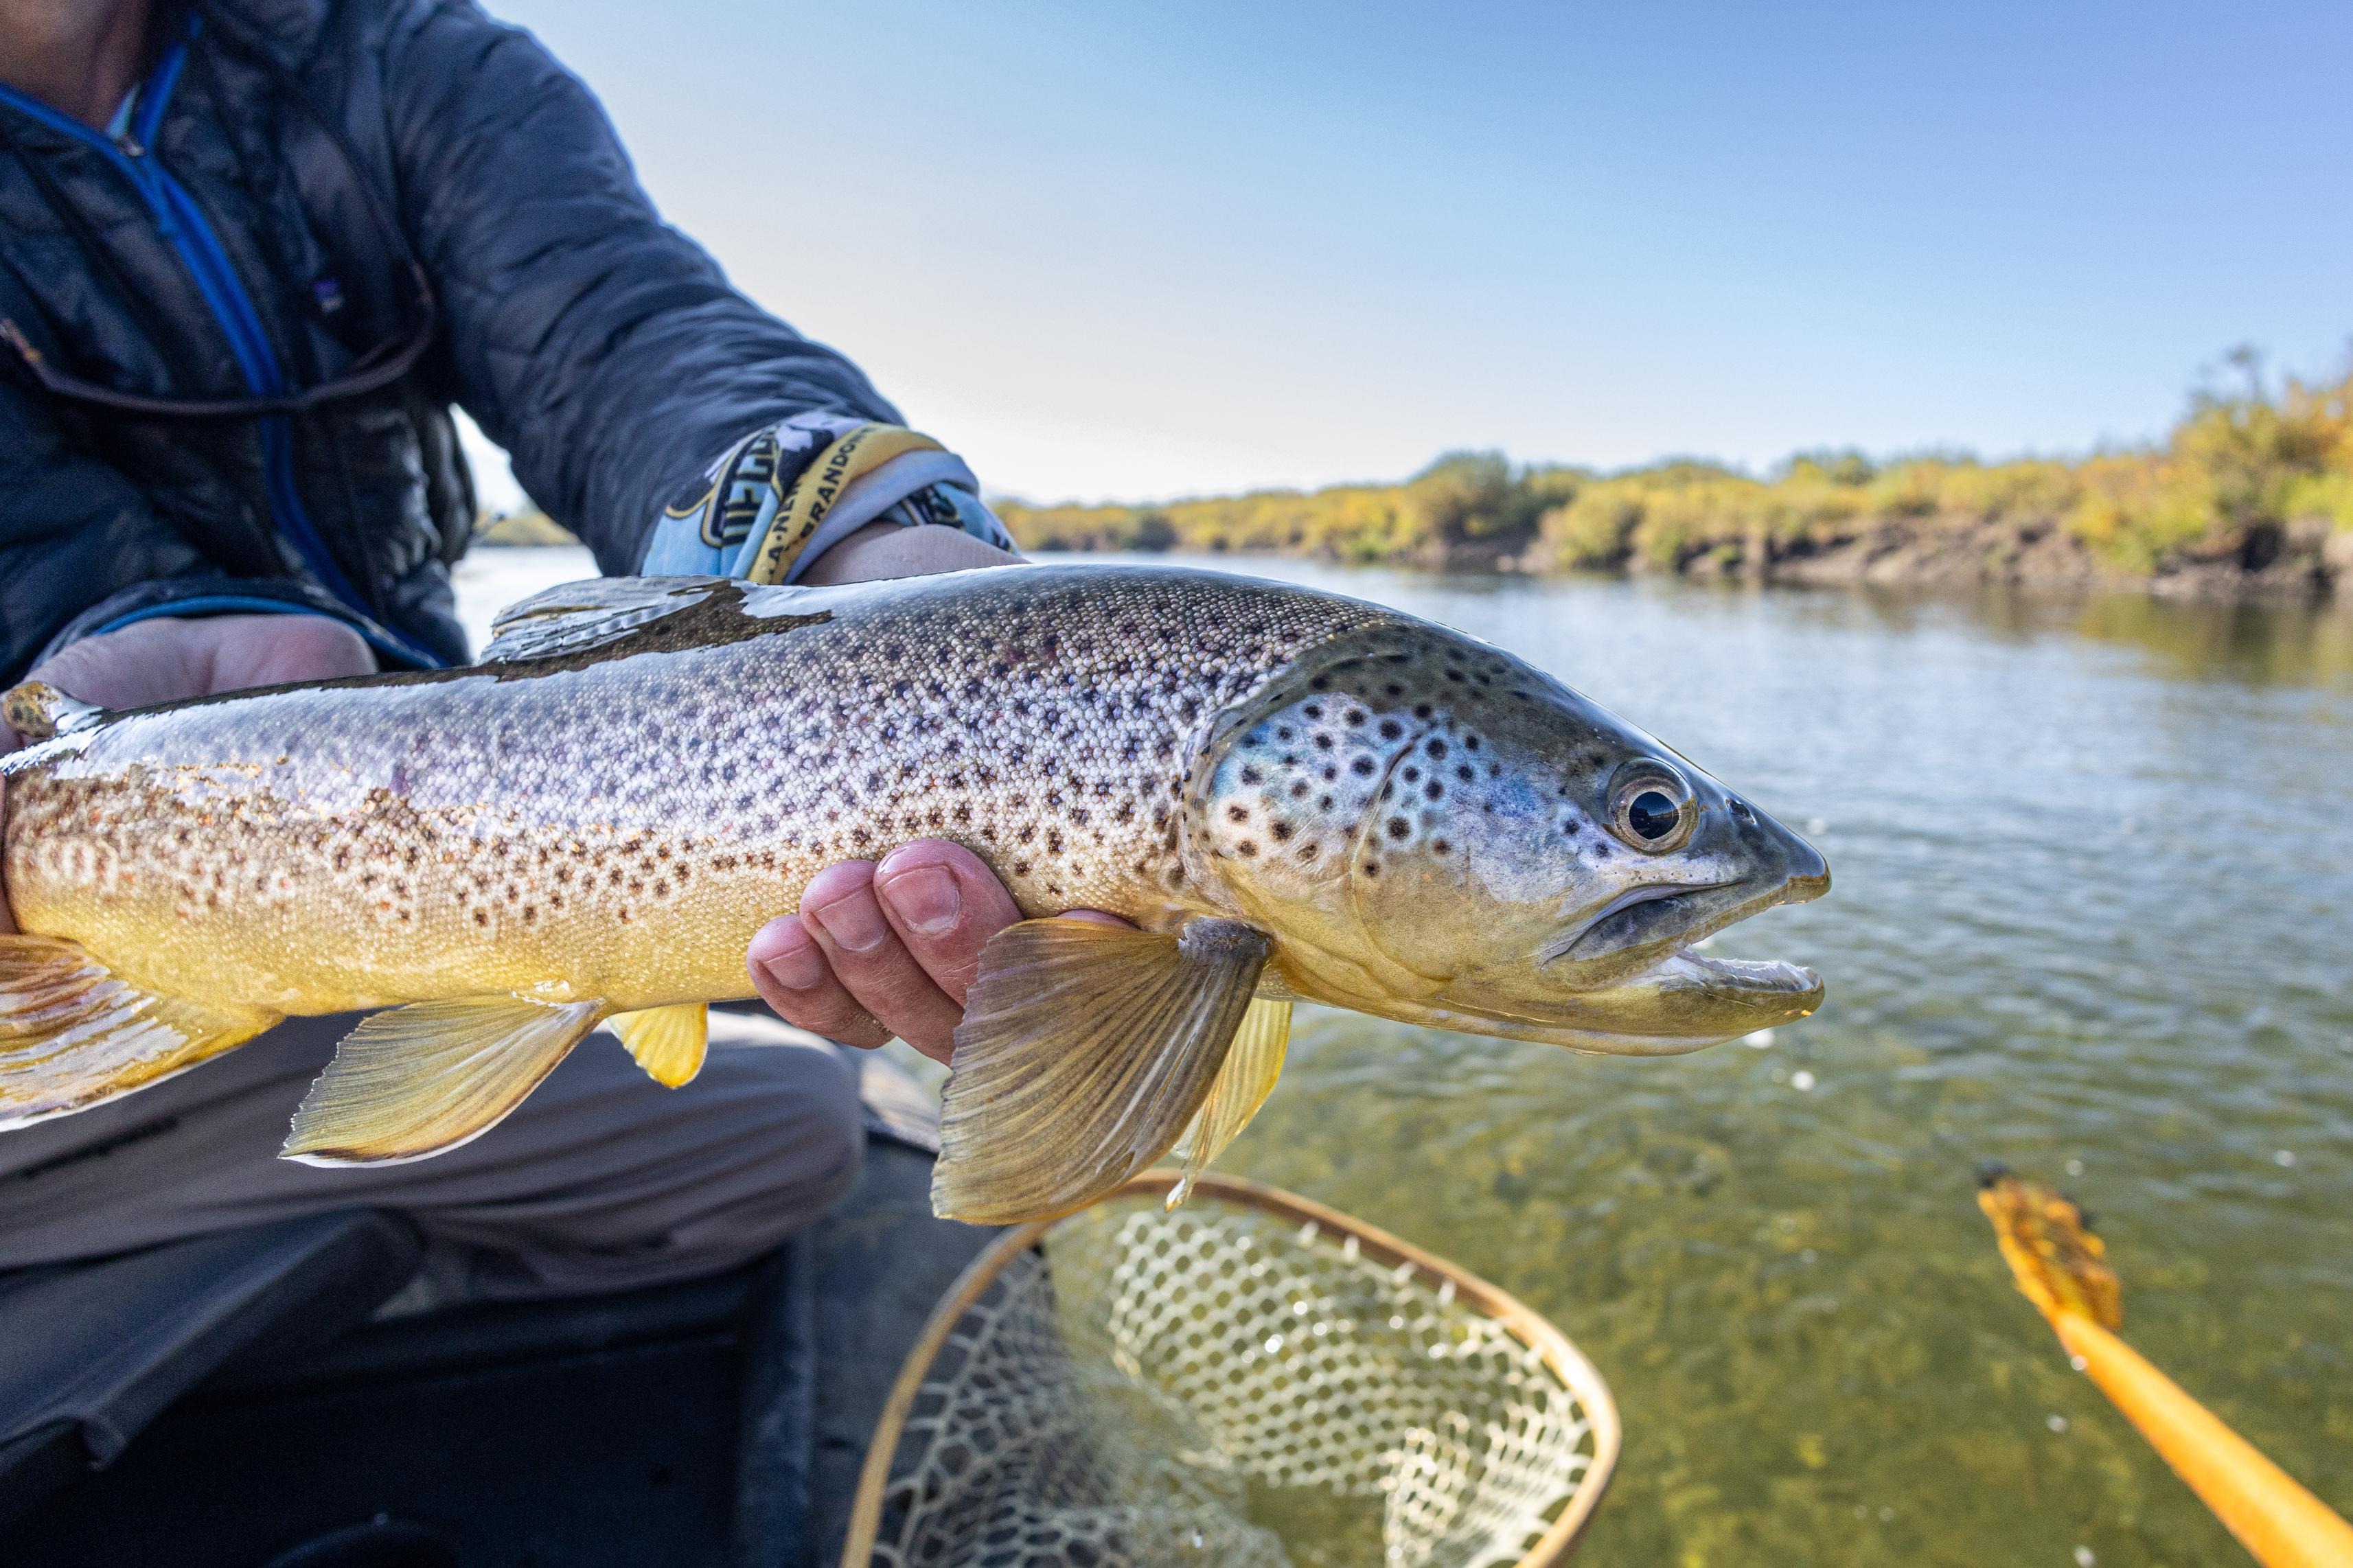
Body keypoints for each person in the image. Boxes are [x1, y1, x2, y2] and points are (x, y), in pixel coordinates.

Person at [0, 0, 1094, 1299]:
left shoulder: (392, 53)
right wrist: (91, 681)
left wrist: (855, 542)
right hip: (118, 841)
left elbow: (621, 329)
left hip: (394, 831)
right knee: (799, 1123)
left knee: (797, 1102)